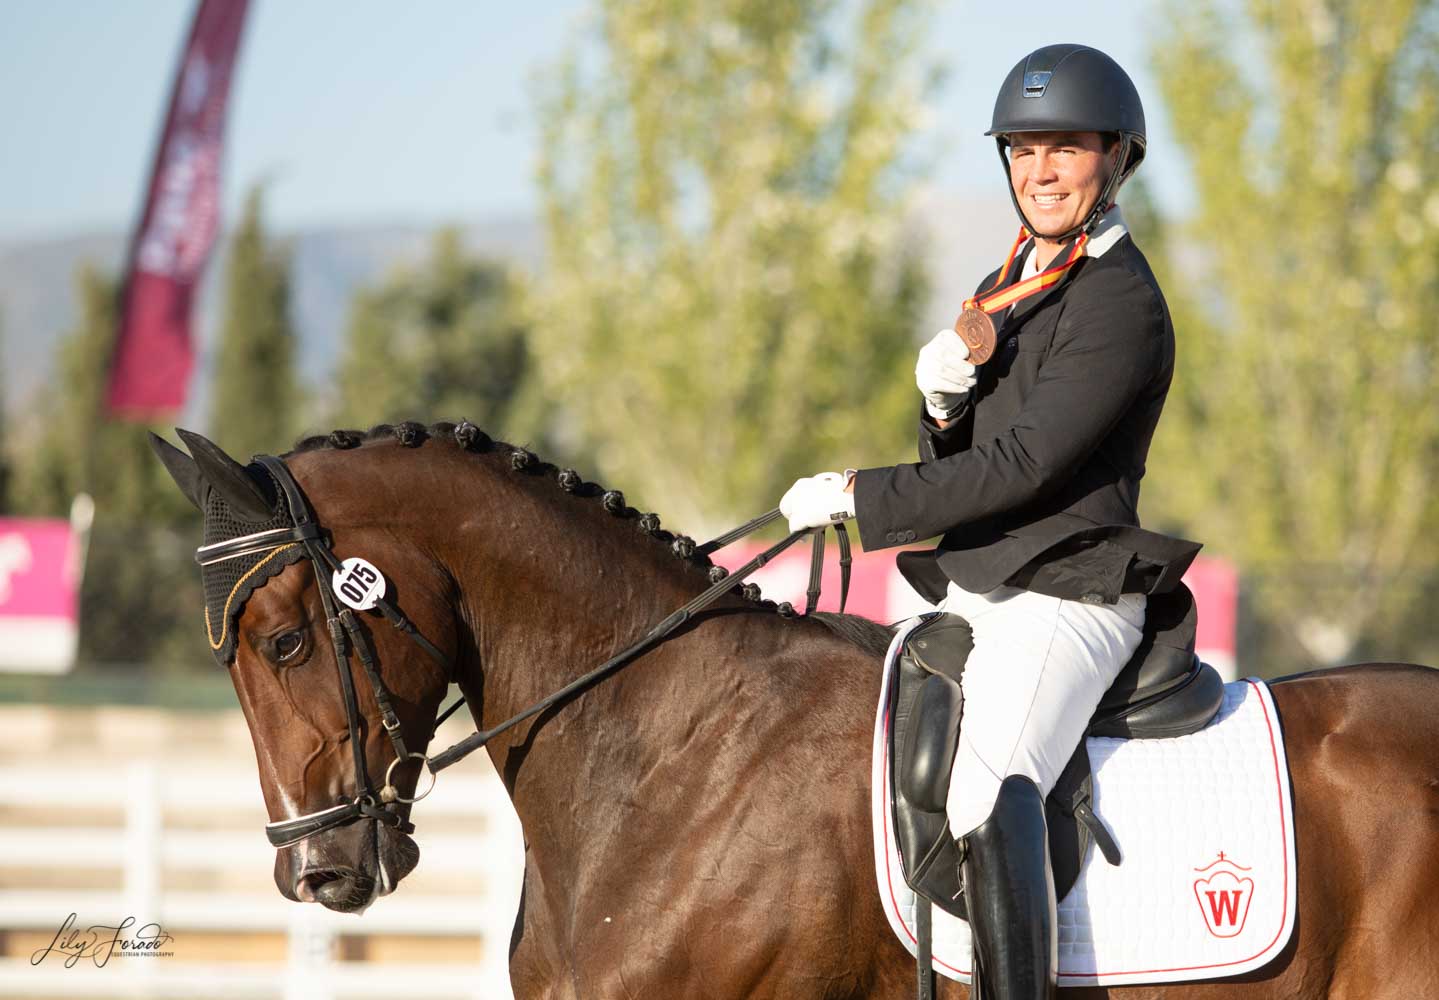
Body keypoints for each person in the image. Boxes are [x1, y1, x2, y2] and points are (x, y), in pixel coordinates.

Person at [779, 44, 1200, 998]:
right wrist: (941, 411)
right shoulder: (1013, 282)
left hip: (1067, 592)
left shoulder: (1119, 303)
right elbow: (971, 463)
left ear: (1117, 158)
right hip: (980, 584)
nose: (1039, 171)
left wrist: (860, 496)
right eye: (1020, 151)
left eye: (1063, 149)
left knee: (985, 794)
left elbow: (1025, 469)